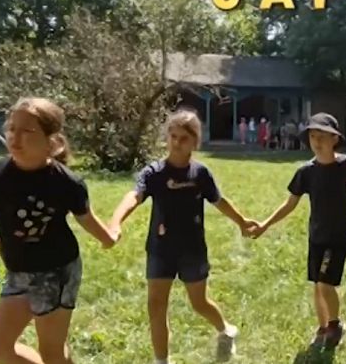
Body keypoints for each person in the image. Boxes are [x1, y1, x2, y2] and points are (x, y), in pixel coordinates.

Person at [0, 97, 118, 364]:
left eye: (27, 131)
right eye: (12, 128)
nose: (15, 137)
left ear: (51, 141)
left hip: (57, 271)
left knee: (52, 352)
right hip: (19, 273)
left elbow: (86, 219)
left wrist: (108, 238)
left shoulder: (67, 182)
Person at [109, 110, 259, 364]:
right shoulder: (155, 173)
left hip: (192, 249)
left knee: (199, 303)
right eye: (173, 136)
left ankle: (225, 330)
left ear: (195, 142)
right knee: (156, 307)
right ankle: (161, 360)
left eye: (184, 138)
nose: (177, 143)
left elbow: (219, 201)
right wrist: (115, 222)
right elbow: (134, 196)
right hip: (160, 249)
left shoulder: (200, 174)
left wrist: (242, 221)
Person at [252, 113, 346, 348]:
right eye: (312, 136)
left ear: (334, 139)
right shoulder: (306, 172)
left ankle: (335, 326)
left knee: (325, 283)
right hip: (317, 234)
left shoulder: (345, 165)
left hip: (339, 234)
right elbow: (290, 204)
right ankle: (322, 327)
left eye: (322, 136)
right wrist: (265, 224)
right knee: (317, 284)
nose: (316, 141)